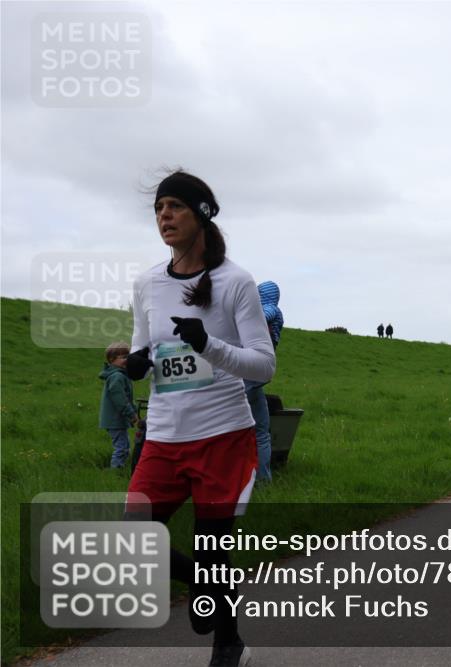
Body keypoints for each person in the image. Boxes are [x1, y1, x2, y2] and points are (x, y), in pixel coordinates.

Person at [124, 170, 274, 667]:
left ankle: (229, 647)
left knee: (214, 552)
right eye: (159, 209)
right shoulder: (147, 282)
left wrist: (207, 343)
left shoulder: (236, 281)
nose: (164, 216)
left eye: (174, 206)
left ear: (202, 213)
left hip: (222, 434)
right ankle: (203, 587)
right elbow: (142, 342)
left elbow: (264, 364)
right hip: (164, 435)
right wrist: (138, 361)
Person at [244, 280, 283, 483]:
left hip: (248, 372)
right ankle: (263, 480)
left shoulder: (270, 309)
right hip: (256, 378)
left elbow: (261, 317)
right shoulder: (274, 310)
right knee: (261, 431)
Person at [99, 341, 138, 469]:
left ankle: (119, 468)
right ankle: (115, 471)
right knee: (121, 448)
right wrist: (131, 414)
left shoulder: (120, 375)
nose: (127, 360)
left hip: (117, 419)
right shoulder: (117, 377)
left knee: (124, 446)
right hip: (115, 419)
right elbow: (120, 400)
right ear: (111, 359)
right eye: (123, 357)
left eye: (128, 356)